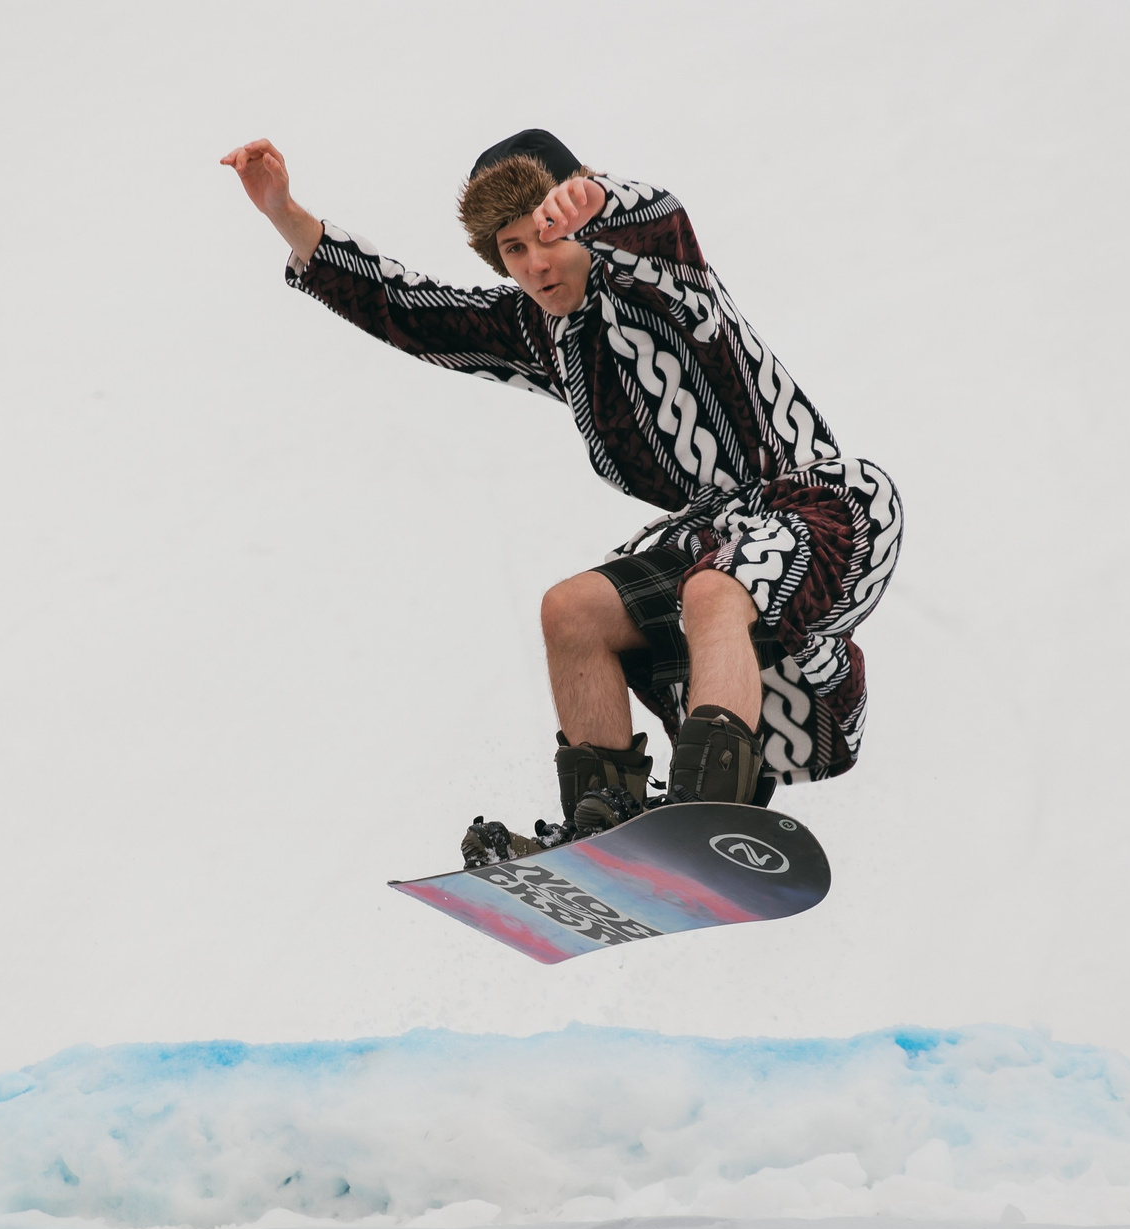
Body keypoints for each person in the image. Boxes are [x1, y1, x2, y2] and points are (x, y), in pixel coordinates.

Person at [221, 130, 903, 867]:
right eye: (513, 249)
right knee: (572, 611)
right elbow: (409, 310)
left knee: (712, 589)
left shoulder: (653, 273)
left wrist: (595, 199)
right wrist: (286, 215)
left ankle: (706, 810)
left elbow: (660, 219)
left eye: (547, 236)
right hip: (711, 537)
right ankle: (604, 825)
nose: (535, 263)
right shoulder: (539, 329)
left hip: (824, 509)